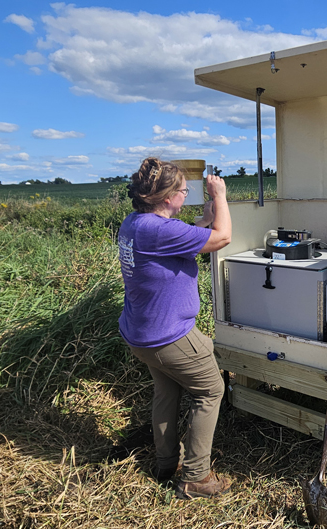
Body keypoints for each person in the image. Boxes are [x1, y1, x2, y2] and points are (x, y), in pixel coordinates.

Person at [117, 157, 232, 499]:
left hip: (141, 333)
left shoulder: (136, 223)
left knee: (167, 392)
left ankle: (166, 463)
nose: (186, 194)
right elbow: (222, 238)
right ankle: (196, 477)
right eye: (183, 190)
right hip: (169, 335)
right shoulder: (160, 231)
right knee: (210, 390)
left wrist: (206, 216)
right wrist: (221, 197)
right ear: (167, 198)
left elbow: (189, 232)